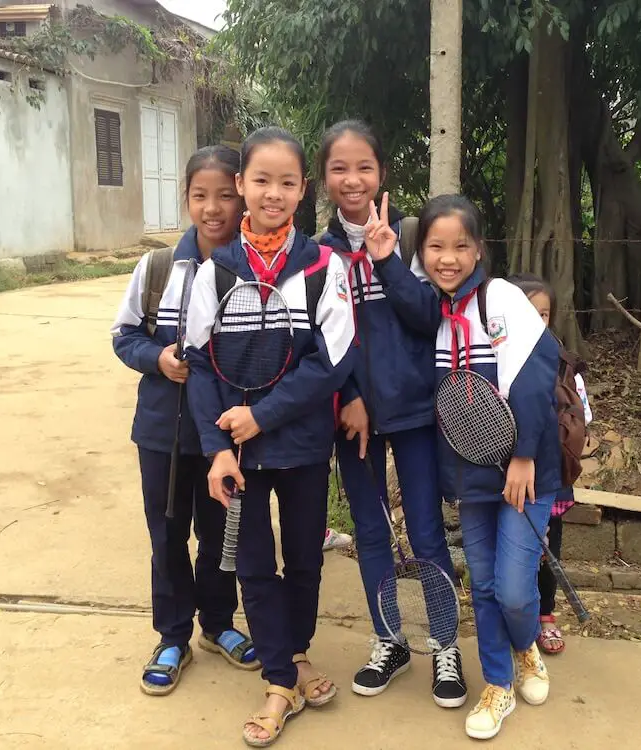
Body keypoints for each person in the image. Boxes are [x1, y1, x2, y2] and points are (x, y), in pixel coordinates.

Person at [183, 127, 356, 748]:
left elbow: (331, 362)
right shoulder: (216, 271)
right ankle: (281, 680)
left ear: (303, 189)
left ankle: (297, 651)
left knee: (305, 559)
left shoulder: (321, 265)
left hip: (304, 446)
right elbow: (200, 363)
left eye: (287, 183)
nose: (273, 193)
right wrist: (220, 445)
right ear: (241, 185)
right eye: (261, 180)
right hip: (240, 456)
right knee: (254, 566)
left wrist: (263, 416)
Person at [375, 194, 562, 739]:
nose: (448, 258)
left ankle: (525, 645)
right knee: (481, 585)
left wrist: (524, 454)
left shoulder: (499, 299)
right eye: (435, 247)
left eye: (460, 246)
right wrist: (387, 256)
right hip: (467, 474)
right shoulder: (434, 309)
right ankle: (499, 683)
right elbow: (406, 308)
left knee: (514, 590)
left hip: (522, 471)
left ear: (479, 249)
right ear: (422, 253)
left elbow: (532, 375)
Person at [316, 120, 466, 707]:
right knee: (372, 529)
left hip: (413, 412)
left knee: (427, 532)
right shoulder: (317, 253)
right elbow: (322, 339)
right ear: (324, 178)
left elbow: (430, 317)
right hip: (352, 419)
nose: (353, 180)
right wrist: (348, 396)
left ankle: (446, 647)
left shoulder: (411, 238)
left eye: (364, 168)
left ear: (382, 172)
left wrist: (386, 262)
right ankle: (390, 641)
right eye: (339, 168)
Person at [110, 146, 260, 696]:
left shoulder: (253, 269)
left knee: (222, 534)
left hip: (224, 432)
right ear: (187, 200)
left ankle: (218, 625)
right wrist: (159, 359)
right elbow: (123, 336)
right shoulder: (155, 270)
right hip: (162, 432)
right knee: (168, 533)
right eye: (201, 196)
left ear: (241, 194)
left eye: (225, 195)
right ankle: (172, 635)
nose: (214, 208)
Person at [507, 273, 594, 656]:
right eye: (527, 312)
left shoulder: (562, 362)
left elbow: (583, 413)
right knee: (512, 553)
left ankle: (545, 615)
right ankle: (512, 618)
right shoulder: (495, 356)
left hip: (550, 474)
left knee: (547, 549)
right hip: (505, 474)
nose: (536, 321)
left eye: (543, 314)